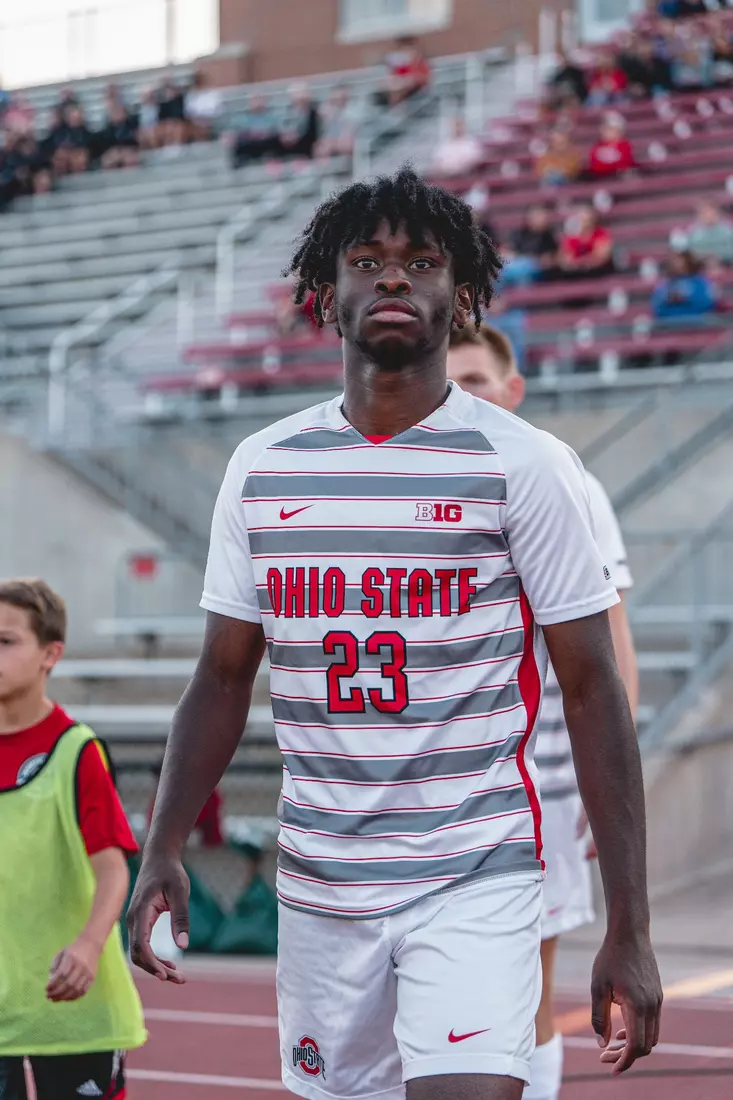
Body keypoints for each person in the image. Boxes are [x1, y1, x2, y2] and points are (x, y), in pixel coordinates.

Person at [129, 167, 662, 1098]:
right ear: (323, 295)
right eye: (364, 261)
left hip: (474, 865)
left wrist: (630, 920)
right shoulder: (262, 467)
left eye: (418, 263)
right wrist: (163, 843)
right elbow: (219, 678)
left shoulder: (525, 465)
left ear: (458, 300)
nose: (389, 279)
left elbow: (591, 687)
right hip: (321, 881)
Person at [447, 324, 639, 1100]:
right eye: (449, 381)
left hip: (541, 779)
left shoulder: (560, 479)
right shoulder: (396, 478)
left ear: (511, 389)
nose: (464, 397)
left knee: (527, 980)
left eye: (477, 381)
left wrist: (608, 785)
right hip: (430, 782)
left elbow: (611, 643)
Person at [0, 578, 146, 1099]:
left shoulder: (76, 750)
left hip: (72, 1006)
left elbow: (112, 866)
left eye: (5, 641)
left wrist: (87, 944)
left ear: (50, 654)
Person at [651, 249, 717, 320]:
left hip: (696, 322)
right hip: (668, 323)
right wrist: (669, 299)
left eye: (678, 259)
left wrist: (685, 298)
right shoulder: (664, 285)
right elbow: (657, 308)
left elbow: (707, 304)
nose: (673, 263)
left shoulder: (701, 282)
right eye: (672, 260)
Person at [505, 203, 559, 285]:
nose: (544, 219)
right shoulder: (520, 234)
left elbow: (551, 260)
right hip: (518, 270)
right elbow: (508, 254)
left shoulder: (549, 237)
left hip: (539, 274)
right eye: (540, 216)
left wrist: (537, 262)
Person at [558, 205, 615, 279]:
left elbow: (602, 257)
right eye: (582, 219)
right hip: (577, 275)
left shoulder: (601, 234)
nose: (585, 222)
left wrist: (581, 261)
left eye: (588, 219)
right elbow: (566, 260)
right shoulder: (571, 237)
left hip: (599, 274)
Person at [228, 94, 280, 168]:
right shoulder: (243, 118)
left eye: (260, 100)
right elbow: (239, 132)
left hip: (267, 143)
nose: (258, 103)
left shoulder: (272, 116)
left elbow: (275, 129)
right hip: (250, 144)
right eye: (255, 100)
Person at [379, 37, 432, 107]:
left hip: (417, 91)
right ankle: (395, 105)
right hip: (402, 88)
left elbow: (423, 79)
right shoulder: (401, 64)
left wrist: (409, 80)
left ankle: (396, 105)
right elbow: (399, 76)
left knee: (402, 88)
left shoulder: (420, 63)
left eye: (408, 49)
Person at [314, 86, 361, 160]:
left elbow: (347, 145)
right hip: (332, 153)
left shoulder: (352, 115)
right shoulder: (330, 118)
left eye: (341, 99)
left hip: (349, 156)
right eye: (333, 100)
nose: (337, 103)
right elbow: (322, 146)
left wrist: (331, 144)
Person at [277, 83, 320, 161]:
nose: (301, 100)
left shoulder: (314, 112)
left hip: (308, 142)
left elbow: (314, 130)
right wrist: (287, 134)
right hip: (289, 142)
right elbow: (283, 127)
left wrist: (297, 134)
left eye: (303, 97)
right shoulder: (287, 111)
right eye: (298, 97)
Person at [686, 200, 733, 266]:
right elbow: (690, 252)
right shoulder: (693, 231)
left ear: (717, 213)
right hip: (701, 266)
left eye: (710, 212)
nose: (707, 215)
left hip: (725, 265)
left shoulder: (728, 230)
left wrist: (716, 255)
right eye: (703, 213)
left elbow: (730, 251)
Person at [99, 103, 139, 171]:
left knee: (129, 160)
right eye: (115, 113)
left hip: (130, 149)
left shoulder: (131, 126)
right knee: (108, 161)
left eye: (119, 112)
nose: (117, 115)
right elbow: (106, 144)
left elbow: (135, 141)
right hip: (114, 151)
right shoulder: (108, 130)